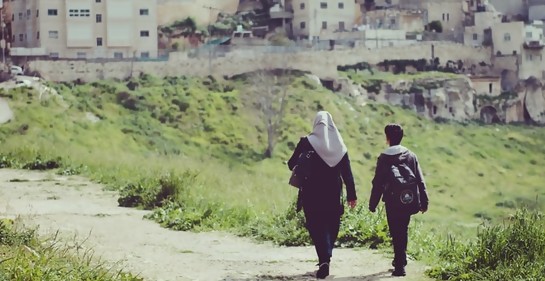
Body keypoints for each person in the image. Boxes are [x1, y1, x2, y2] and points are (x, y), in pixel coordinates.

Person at [287, 111, 357, 279]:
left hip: (311, 193)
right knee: (332, 225)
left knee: (316, 226)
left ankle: (323, 259)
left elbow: (291, 164)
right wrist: (352, 196)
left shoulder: (306, 142)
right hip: (333, 193)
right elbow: (348, 174)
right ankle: (327, 256)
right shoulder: (340, 147)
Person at [368, 123, 429, 277]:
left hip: (391, 200)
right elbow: (420, 179)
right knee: (403, 229)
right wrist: (424, 201)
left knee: (396, 231)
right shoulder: (411, 155)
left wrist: (373, 203)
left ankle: (399, 265)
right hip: (407, 199)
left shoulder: (384, 157)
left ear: (387, 138)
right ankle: (401, 260)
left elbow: (378, 182)